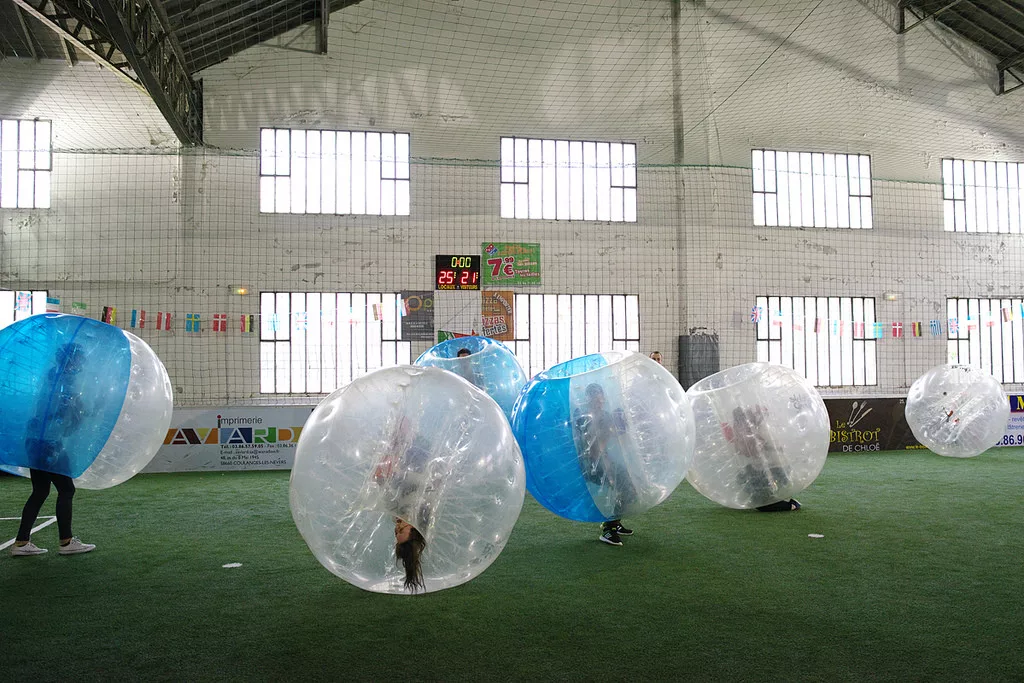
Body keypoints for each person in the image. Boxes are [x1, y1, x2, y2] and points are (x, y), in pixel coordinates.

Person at [12, 343, 95, 556]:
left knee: (40, 491)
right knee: (66, 490)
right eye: (78, 359)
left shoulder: (52, 377)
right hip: (48, 443)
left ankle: (21, 542)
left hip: (35, 440)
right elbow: (67, 412)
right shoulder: (64, 382)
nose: (81, 363)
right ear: (71, 360)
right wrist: (83, 410)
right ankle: (66, 542)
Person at [373, 415, 436, 592]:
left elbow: (386, 493)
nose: (397, 527)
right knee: (407, 442)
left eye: (395, 532)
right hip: (418, 463)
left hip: (405, 466)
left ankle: (402, 421)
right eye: (401, 530)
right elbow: (427, 482)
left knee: (393, 444)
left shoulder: (397, 513)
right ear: (414, 529)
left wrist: (381, 480)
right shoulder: (423, 509)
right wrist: (400, 474)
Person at [573, 383, 638, 546]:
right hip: (591, 466)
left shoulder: (606, 416)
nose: (600, 402)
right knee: (627, 488)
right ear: (588, 399)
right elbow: (592, 447)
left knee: (631, 490)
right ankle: (608, 529)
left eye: (601, 398)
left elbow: (614, 438)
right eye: (596, 399)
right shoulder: (582, 417)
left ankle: (614, 522)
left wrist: (622, 427)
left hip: (604, 461)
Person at [730, 406, 800, 512]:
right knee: (741, 477)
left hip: (774, 469)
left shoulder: (759, 430)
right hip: (764, 469)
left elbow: (756, 450)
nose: (736, 425)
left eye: (738, 422)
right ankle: (778, 499)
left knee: (761, 502)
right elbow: (745, 451)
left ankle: (790, 505)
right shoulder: (750, 431)